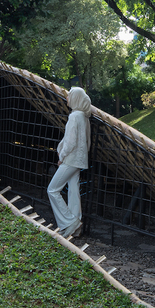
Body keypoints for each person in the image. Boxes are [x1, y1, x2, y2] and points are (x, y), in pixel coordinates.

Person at [46, 86, 92, 238]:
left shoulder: (74, 116)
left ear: (76, 98)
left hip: (71, 159)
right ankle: (75, 228)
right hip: (80, 160)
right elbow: (87, 142)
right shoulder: (84, 117)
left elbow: (70, 142)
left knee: (52, 190)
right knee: (73, 190)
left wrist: (62, 157)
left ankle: (68, 222)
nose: (67, 98)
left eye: (69, 96)